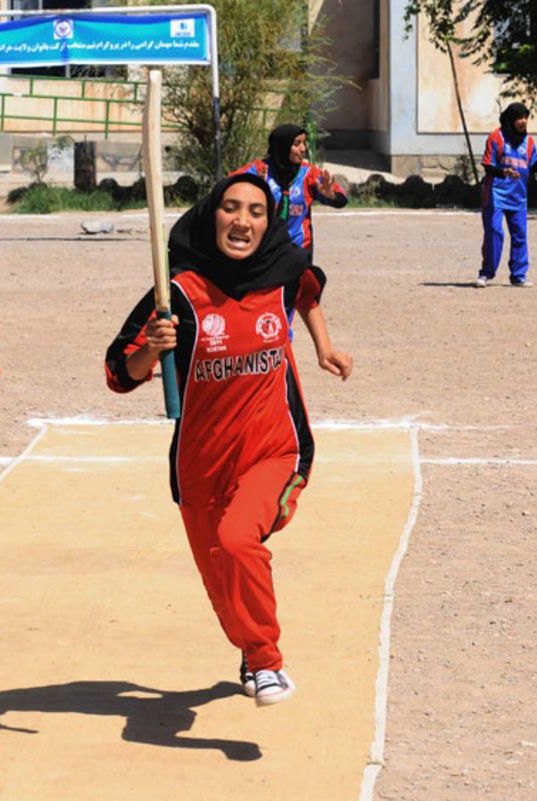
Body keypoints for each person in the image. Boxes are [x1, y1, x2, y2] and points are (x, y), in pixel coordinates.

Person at [104, 173, 352, 707]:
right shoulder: (179, 293)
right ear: (211, 215)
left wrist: (323, 347)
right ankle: (250, 650)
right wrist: (151, 349)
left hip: (273, 448)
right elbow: (118, 374)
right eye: (232, 208)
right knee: (224, 591)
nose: (243, 221)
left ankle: (267, 662)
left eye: (256, 212)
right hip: (199, 466)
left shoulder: (284, 272)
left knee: (240, 540)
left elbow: (307, 295)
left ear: (269, 223)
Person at [233, 123, 348, 261]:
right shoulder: (259, 171)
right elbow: (224, 189)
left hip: (298, 250)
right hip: (263, 249)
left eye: (304, 143)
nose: (303, 149)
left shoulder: (308, 173)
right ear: (282, 146)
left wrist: (331, 195)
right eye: (297, 144)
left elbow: (341, 200)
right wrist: (251, 188)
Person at [476, 102, 537, 287]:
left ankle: (518, 275)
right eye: (519, 118)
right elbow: (488, 165)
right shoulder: (496, 137)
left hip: (518, 196)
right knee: (494, 232)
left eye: (525, 117)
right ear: (510, 119)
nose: (523, 121)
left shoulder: (528, 141)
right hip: (496, 194)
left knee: (520, 235)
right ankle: (486, 273)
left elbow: (531, 167)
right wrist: (503, 172)